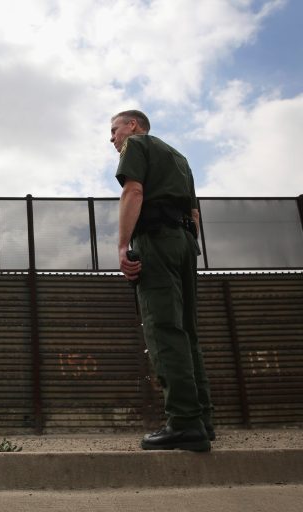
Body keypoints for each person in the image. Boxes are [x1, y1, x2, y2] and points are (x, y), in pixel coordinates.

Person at [111, 109, 214, 452]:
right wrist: (186, 247)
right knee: (187, 330)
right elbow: (195, 213)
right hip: (185, 243)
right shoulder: (180, 158)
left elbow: (134, 192)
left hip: (156, 239)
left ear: (133, 125)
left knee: (164, 327)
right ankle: (203, 419)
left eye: (114, 130)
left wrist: (124, 245)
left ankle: (185, 422)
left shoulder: (136, 144)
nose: (112, 139)